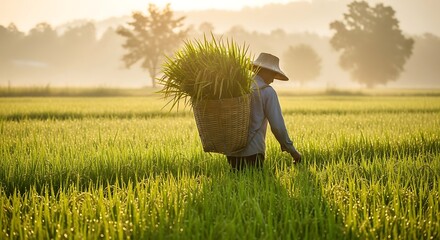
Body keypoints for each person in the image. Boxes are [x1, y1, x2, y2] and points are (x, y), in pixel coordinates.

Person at [226, 52, 302, 170]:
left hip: (231, 152)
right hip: (253, 152)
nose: (273, 80)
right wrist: (293, 152)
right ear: (264, 71)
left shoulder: (238, 87)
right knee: (255, 186)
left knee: (236, 186)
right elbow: (278, 127)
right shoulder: (267, 92)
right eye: (273, 74)